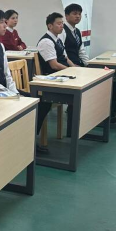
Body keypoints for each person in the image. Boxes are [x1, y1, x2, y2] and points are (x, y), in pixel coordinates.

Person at [35, 12, 72, 152]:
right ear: (50, 26)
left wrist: (75, 68)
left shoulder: (58, 39)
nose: (61, 26)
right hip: (52, 79)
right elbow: (54, 65)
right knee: (43, 105)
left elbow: (65, 58)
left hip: (62, 76)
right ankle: (32, 139)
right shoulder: (46, 42)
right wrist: (71, 71)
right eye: (58, 23)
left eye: (62, 23)